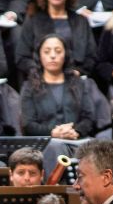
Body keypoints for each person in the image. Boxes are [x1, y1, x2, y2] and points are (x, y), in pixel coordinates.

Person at [20, 34, 96, 174]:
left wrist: (76, 131)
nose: (53, 56)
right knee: (56, 146)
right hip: (45, 142)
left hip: (77, 139)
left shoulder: (78, 82)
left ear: (65, 55)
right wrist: (52, 132)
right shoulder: (29, 86)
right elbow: (28, 124)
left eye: (58, 51)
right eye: (47, 51)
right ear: (39, 56)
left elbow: (89, 117)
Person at [15, 0, 96, 79]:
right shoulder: (33, 21)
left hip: (75, 79)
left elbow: (91, 56)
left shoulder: (80, 21)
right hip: (41, 80)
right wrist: (42, 73)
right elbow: (22, 57)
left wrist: (78, 72)